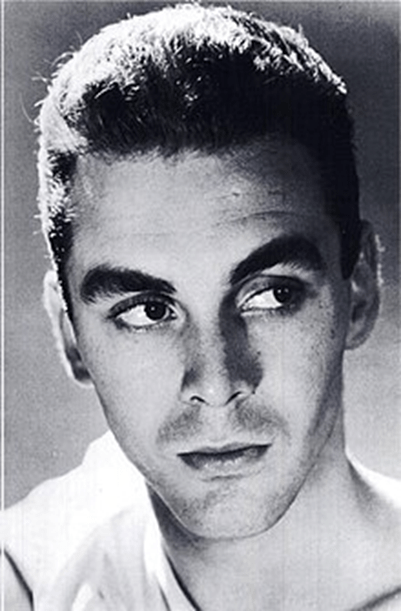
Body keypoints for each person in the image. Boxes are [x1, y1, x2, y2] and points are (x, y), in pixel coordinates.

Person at [3, 3, 401, 610]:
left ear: (361, 289)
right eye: (147, 311)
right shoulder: (31, 581)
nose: (216, 384)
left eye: (272, 294)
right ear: (71, 333)